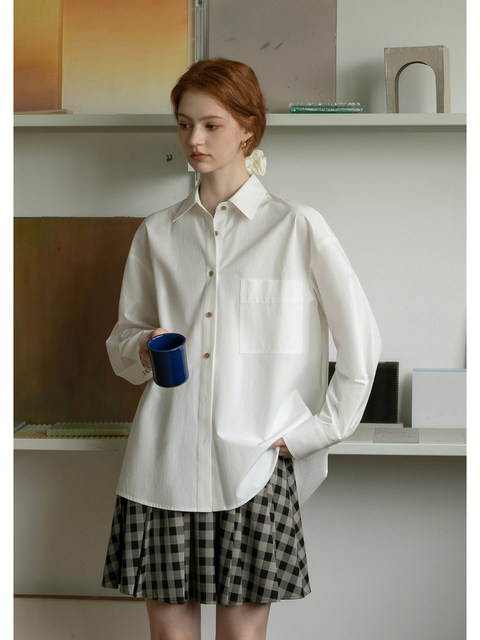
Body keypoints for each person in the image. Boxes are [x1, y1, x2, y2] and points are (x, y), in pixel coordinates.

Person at [102, 58, 381, 640]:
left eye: (212, 125)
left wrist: (317, 431)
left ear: (248, 129)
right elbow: (123, 340)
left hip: (255, 464)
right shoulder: (156, 232)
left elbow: (361, 342)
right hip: (162, 462)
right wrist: (145, 346)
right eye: (185, 125)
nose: (195, 140)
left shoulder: (297, 226)